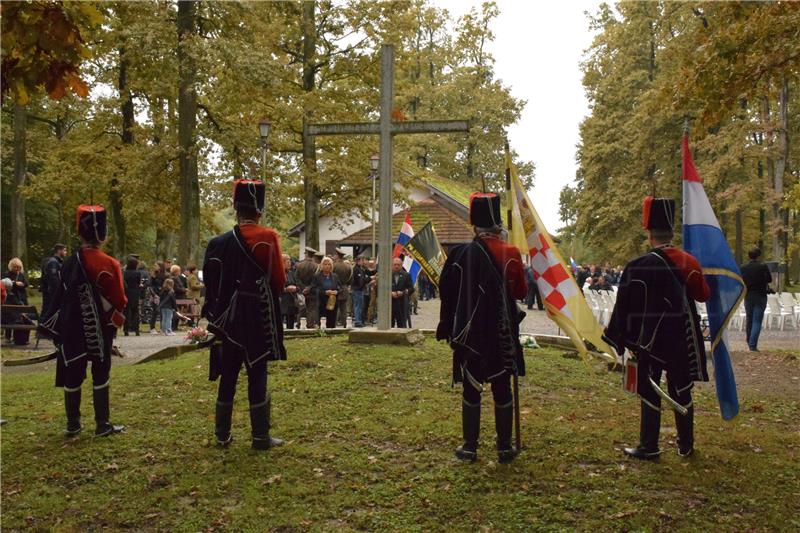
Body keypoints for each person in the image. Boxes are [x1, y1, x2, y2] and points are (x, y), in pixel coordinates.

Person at [603, 197, 710, 460]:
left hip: (646, 340)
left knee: (649, 388)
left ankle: (649, 445)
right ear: (671, 232)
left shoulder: (636, 266)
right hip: (679, 338)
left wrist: (620, 337)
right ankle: (686, 445)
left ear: (649, 233)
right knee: (681, 388)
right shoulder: (689, 262)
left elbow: (624, 307)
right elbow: (703, 295)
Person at [436, 192, 527, 463]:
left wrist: (448, 325)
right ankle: (503, 447)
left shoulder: (460, 254)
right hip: (501, 329)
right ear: (497, 225)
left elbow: (447, 293)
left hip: (470, 332)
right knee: (502, 386)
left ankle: (470, 447)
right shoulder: (510, 253)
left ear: (474, 225)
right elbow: (521, 291)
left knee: (471, 386)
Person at [201, 179, 286, 449]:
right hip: (257, 317)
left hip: (227, 321)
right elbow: (278, 281)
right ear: (259, 210)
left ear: (236, 209)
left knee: (228, 375)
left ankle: (221, 434)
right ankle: (260, 436)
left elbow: (211, 284)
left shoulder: (217, 244)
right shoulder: (269, 238)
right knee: (257, 372)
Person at [39, 205, 127, 437]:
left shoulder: (68, 263)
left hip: (70, 328)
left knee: (73, 372)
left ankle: (73, 424)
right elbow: (120, 299)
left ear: (80, 232)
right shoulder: (109, 263)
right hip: (101, 329)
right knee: (101, 371)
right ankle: (102, 424)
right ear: (104, 234)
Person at [740, 248, 772, 352]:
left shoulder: (743, 267)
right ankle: (752, 345)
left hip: (748, 295)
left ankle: (749, 341)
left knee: (749, 319)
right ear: (758, 256)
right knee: (757, 321)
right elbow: (769, 279)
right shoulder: (762, 266)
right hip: (760, 295)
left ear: (749, 256)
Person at [3, 257, 30, 344]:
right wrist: (15, 283)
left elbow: (26, 283)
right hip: (11, 298)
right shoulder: (7, 274)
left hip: (21, 297)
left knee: (20, 317)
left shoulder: (21, 274)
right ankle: (8, 336)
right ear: (11, 266)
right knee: (10, 316)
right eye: (15, 267)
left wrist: (22, 284)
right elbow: (5, 284)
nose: (16, 269)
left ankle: (17, 336)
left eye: (18, 267)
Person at [311, 256, 341, 328]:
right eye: (325, 264)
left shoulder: (335, 276)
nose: (327, 266)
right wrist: (324, 292)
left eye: (329, 264)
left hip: (333, 303)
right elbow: (313, 289)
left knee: (332, 322)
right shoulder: (317, 276)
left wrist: (336, 291)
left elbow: (340, 287)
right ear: (322, 265)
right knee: (323, 323)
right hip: (322, 303)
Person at [40, 244, 67, 317]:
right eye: (64, 250)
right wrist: (58, 293)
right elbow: (54, 280)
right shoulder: (53, 262)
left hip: (51, 292)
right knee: (48, 311)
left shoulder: (58, 262)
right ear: (59, 251)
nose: (66, 252)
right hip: (51, 293)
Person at [296, 247, 319, 329]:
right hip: (312, 291)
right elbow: (316, 280)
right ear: (313, 255)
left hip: (302, 291)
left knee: (302, 307)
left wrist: (303, 288)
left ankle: (299, 323)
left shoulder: (299, 265)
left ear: (306, 254)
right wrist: (309, 287)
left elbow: (296, 278)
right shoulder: (317, 266)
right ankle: (310, 324)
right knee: (311, 308)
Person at [390, 257, 414, 328]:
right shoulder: (387, 275)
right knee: (389, 326)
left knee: (402, 325)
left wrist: (403, 292)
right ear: (392, 265)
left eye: (398, 265)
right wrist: (390, 293)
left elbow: (411, 289)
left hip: (402, 304)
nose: (396, 266)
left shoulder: (406, 275)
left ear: (401, 265)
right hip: (390, 305)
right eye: (395, 264)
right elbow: (382, 288)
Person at [123, 256, 143, 336]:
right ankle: (136, 330)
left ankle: (126, 330)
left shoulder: (125, 273)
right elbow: (138, 283)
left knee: (127, 312)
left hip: (127, 292)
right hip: (135, 292)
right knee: (135, 311)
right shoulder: (137, 273)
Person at [333, 248, 353, 327]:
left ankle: (333, 325)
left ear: (337, 255)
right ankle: (345, 325)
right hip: (344, 288)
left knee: (334, 308)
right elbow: (351, 280)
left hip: (335, 289)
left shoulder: (333, 265)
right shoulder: (348, 267)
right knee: (343, 308)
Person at [281, 254, 300, 329]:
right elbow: (275, 287)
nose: (289, 263)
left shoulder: (291, 273)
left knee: (291, 322)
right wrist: (286, 289)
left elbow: (298, 286)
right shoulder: (279, 273)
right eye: (287, 262)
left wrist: (295, 288)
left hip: (291, 301)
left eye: (289, 261)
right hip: (282, 301)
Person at [350, 255, 369, 327]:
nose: (363, 262)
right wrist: (369, 279)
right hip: (357, 290)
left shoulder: (360, 269)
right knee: (358, 306)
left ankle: (359, 320)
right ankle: (358, 321)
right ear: (359, 261)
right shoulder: (357, 269)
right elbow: (361, 282)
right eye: (362, 260)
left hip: (358, 290)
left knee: (359, 306)